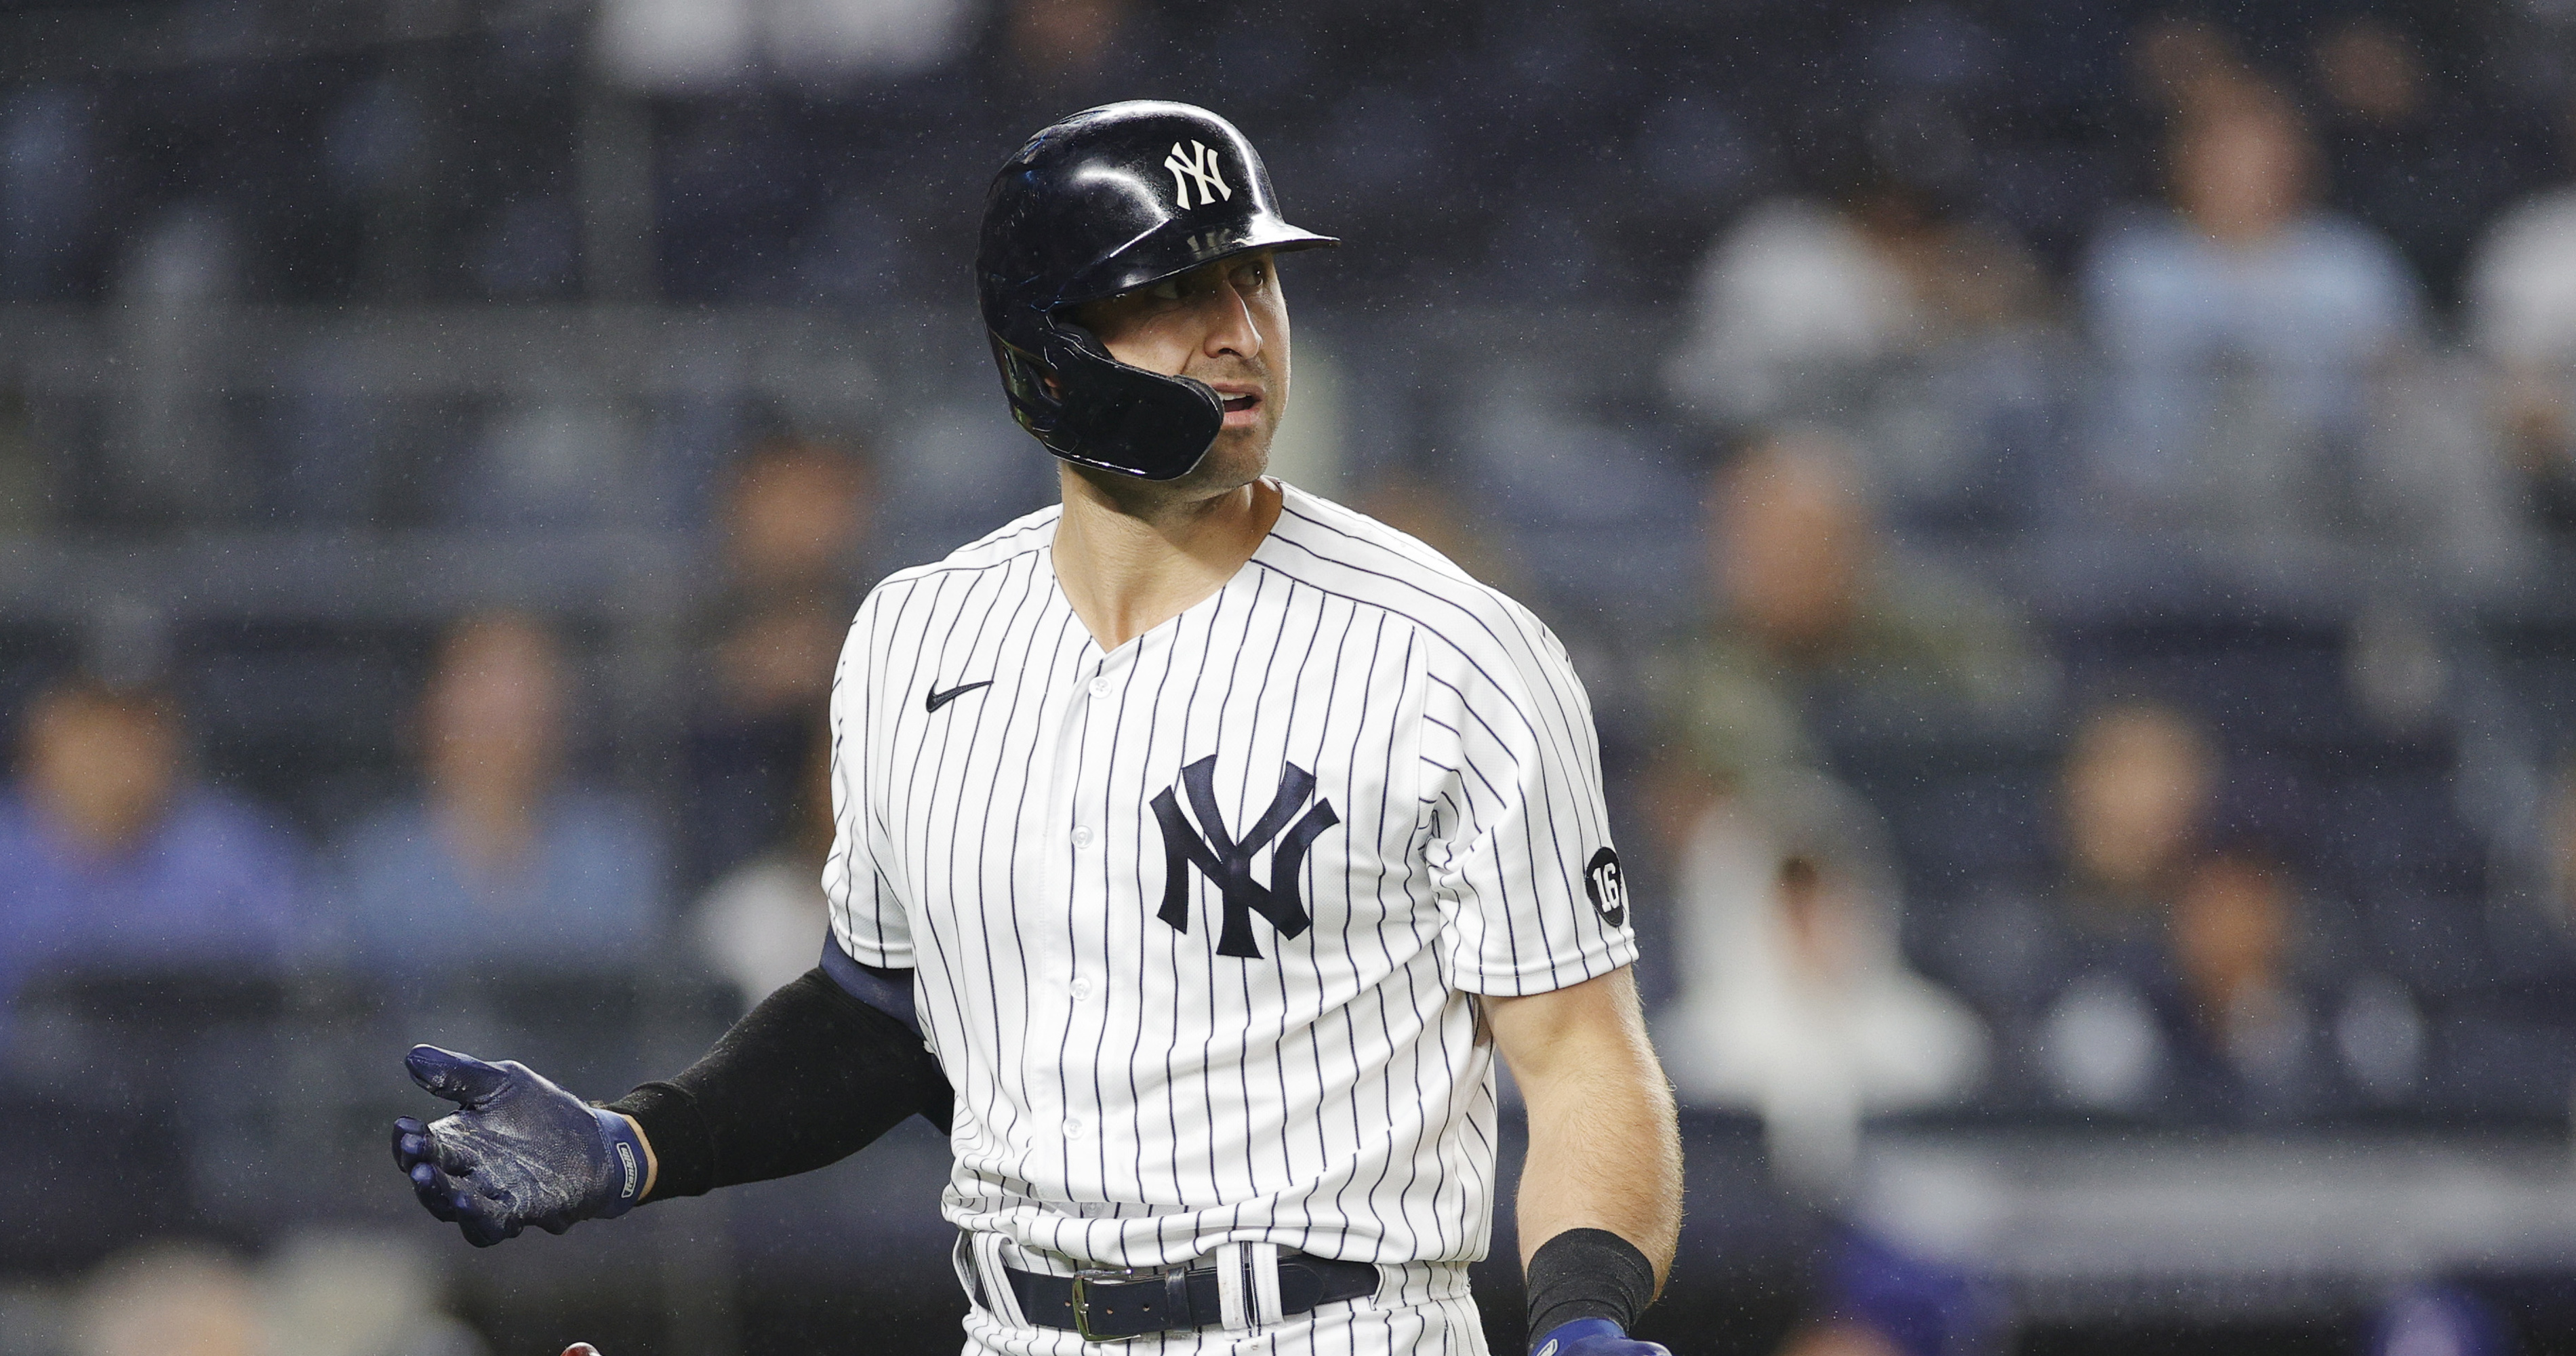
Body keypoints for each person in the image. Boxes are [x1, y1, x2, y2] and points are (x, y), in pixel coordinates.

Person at [389, 102, 1683, 1356]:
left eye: (1257, 284)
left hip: (1338, 1325)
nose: (1239, 332)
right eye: (1180, 291)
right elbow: (877, 1013)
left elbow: (1582, 1062)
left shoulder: (1454, 650)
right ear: (1048, 343)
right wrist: (641, 1143)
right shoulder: (913, 636)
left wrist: (1582, 1319)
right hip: (1011, 1329)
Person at [335, 612, 665, 974]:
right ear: (428, 711)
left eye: (526, 687)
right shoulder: (371, 870)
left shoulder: (616, 856)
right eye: (480, 688)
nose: (503, 720)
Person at [0, 675, 305, 1022]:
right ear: (40, 743)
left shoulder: (236, 850)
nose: (116, 754)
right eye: (93, 729)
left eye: (139, 730)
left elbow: (307, 991)